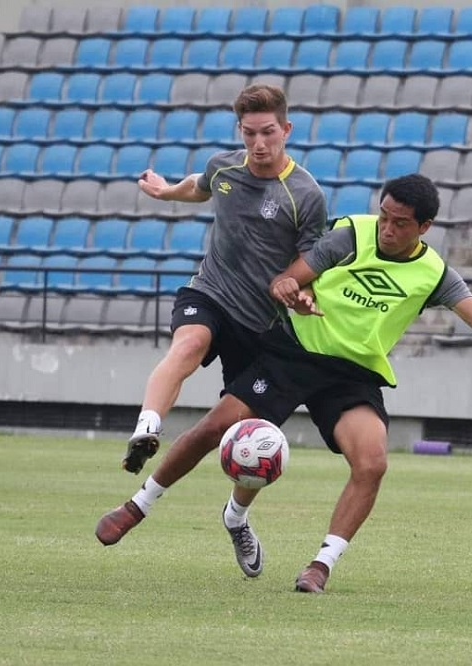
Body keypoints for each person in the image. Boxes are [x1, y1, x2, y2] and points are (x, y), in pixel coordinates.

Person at [95, 174, 472, 593]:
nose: (388, 228)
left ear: (425, 227)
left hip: (353, 375)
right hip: (293, 354)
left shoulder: (432, 273)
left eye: (400, 224)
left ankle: (321, 565)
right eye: (385, 216)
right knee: (215, 429)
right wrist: (296, 293)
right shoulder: (350, 235)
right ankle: (137, 506)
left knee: (372, 462)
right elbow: (287, 280)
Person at [122, 83, 327, 474]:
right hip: (210, 292)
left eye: (268, 131)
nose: (259, 142)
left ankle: (238, 515)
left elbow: (309, 261)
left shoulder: (306, 195)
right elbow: (200, 186)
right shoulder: (224, 166)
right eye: (249, 133)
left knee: (236, 434)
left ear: (287, 129)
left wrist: (303, 294)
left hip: (258, 323)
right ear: (239, 130)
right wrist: (165, 192)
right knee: (189, 344)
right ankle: (147, 427)